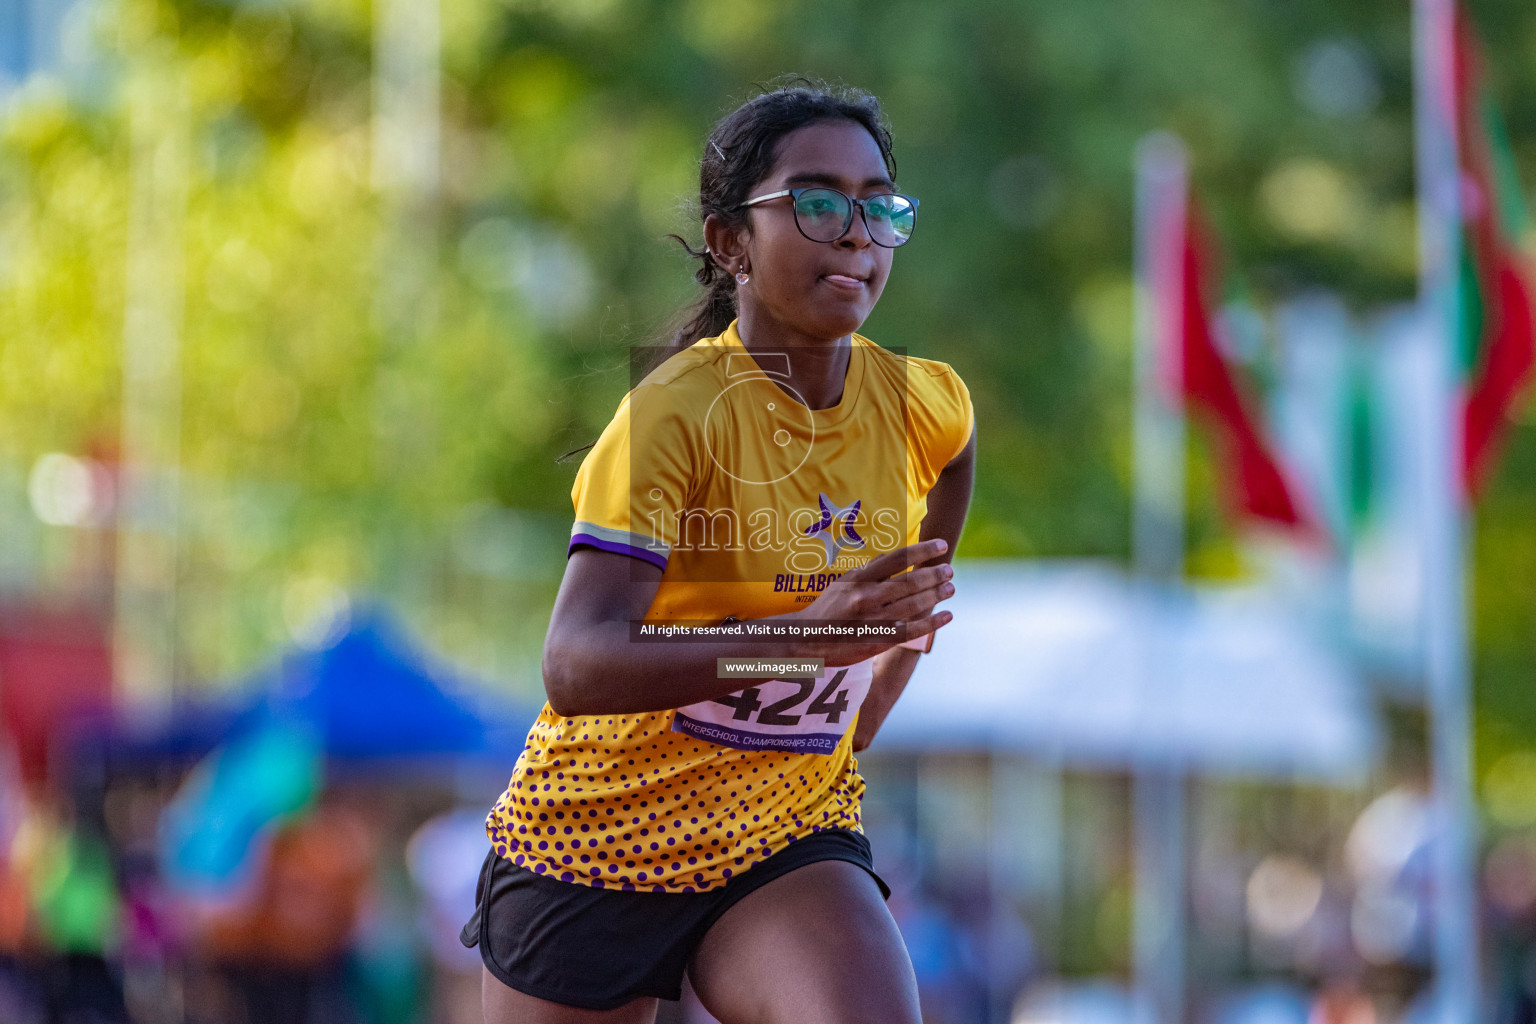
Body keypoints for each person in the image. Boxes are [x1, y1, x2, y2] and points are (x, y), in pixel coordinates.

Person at [463, 81, 977, 1024]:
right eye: (818, 203)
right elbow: (575, 665)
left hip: (785, 824)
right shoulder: (675, 411)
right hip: (603, 832)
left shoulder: (922, 402)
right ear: (731, 241)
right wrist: (805, 641)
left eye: (880, 206)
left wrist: (892, 657)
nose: (856, 233)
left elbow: (955, 462)